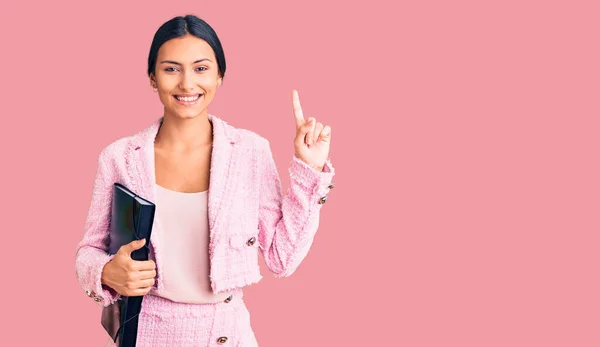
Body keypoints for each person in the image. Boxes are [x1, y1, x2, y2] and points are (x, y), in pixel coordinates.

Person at [74, 14, 336, 346]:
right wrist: (105, 272)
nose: (187, 84)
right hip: (146, 334)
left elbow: (282, 258)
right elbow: (88, 251)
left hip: (228, 335)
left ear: (220, 76)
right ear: (152, 78)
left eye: (201, 68)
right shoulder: (120, 157)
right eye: (171, 69)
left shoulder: (251, 151)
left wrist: (308, 171)